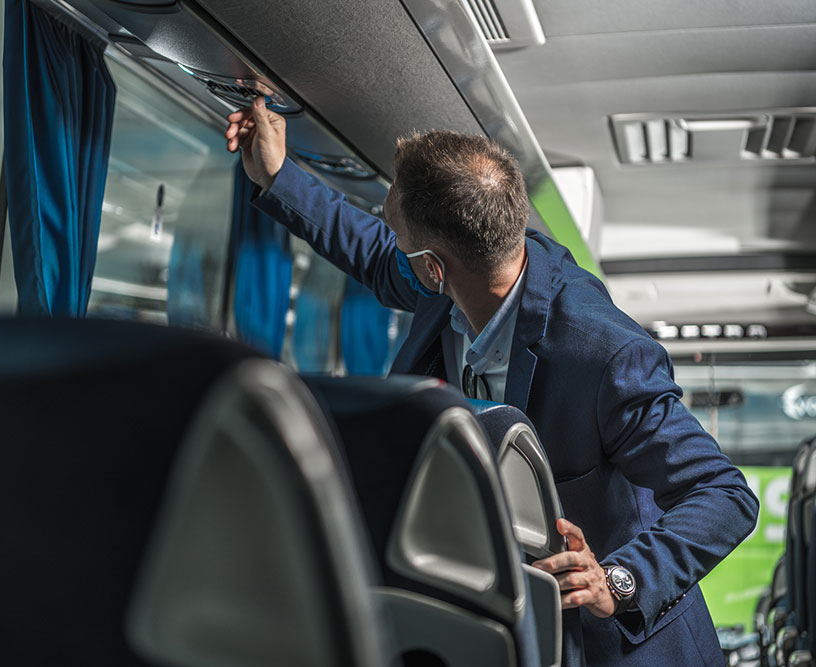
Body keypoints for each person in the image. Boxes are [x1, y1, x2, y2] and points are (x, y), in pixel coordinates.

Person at [224, 97, 758, 666]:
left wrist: (620, 580)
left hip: (618, 646)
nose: (395, 247)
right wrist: (276, 174)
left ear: (434, 266)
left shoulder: (605, 354)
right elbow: (375, 255)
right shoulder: (460, 273)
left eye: (402, 238)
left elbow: (725, 494)